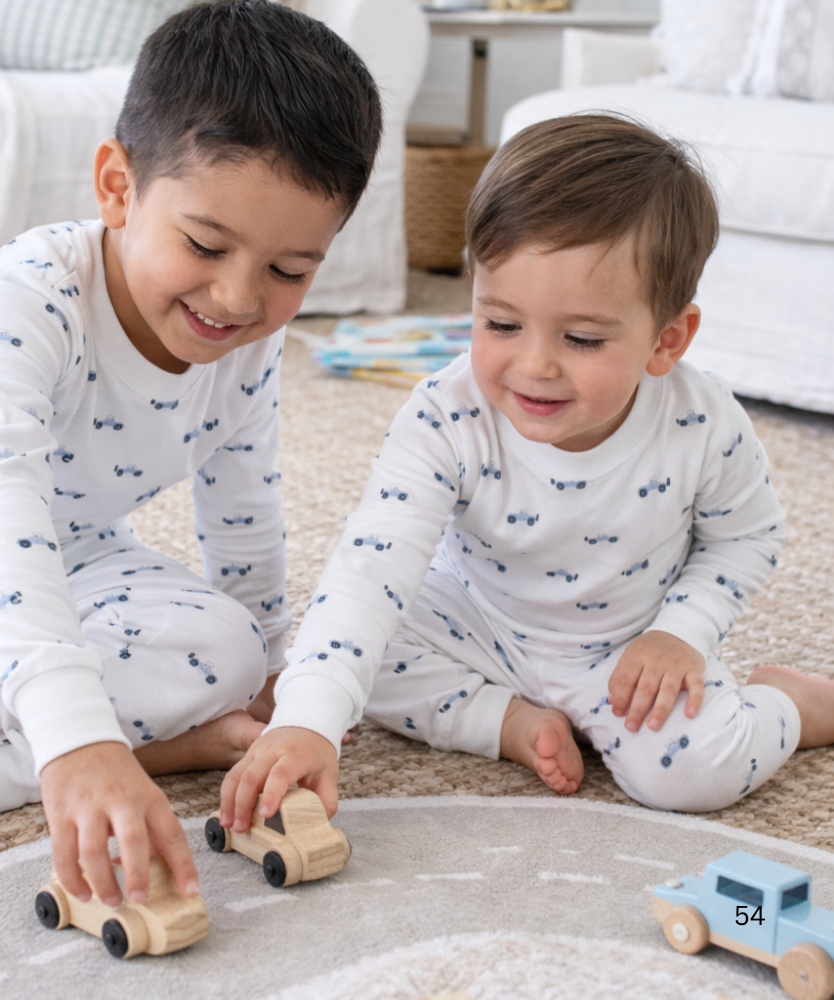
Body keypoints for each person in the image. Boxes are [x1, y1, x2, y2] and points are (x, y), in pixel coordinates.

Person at [0, 0, 381, 912]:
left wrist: (276, 667)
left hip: (71, 552)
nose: (238, 297)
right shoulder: (23, 300)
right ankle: (115, 750)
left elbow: (241, 500)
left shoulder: (246, 340)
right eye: (206, 245)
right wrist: (82, 740)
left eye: (291, 271)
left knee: (227, 653)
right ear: (118, 187)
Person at [220, 114, 834, 834]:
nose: (534, 365)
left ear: (667, 339)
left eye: (580, 338)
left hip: (624, 649)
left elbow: (748, 538)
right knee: (339, 660)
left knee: (698, 771)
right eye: (501, 324)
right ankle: (505, 721)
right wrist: (308, 723)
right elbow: (371, 569)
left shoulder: (702, 422)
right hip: (476, 622)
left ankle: (796, 704)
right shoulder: (445, 416)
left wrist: (682, 635)